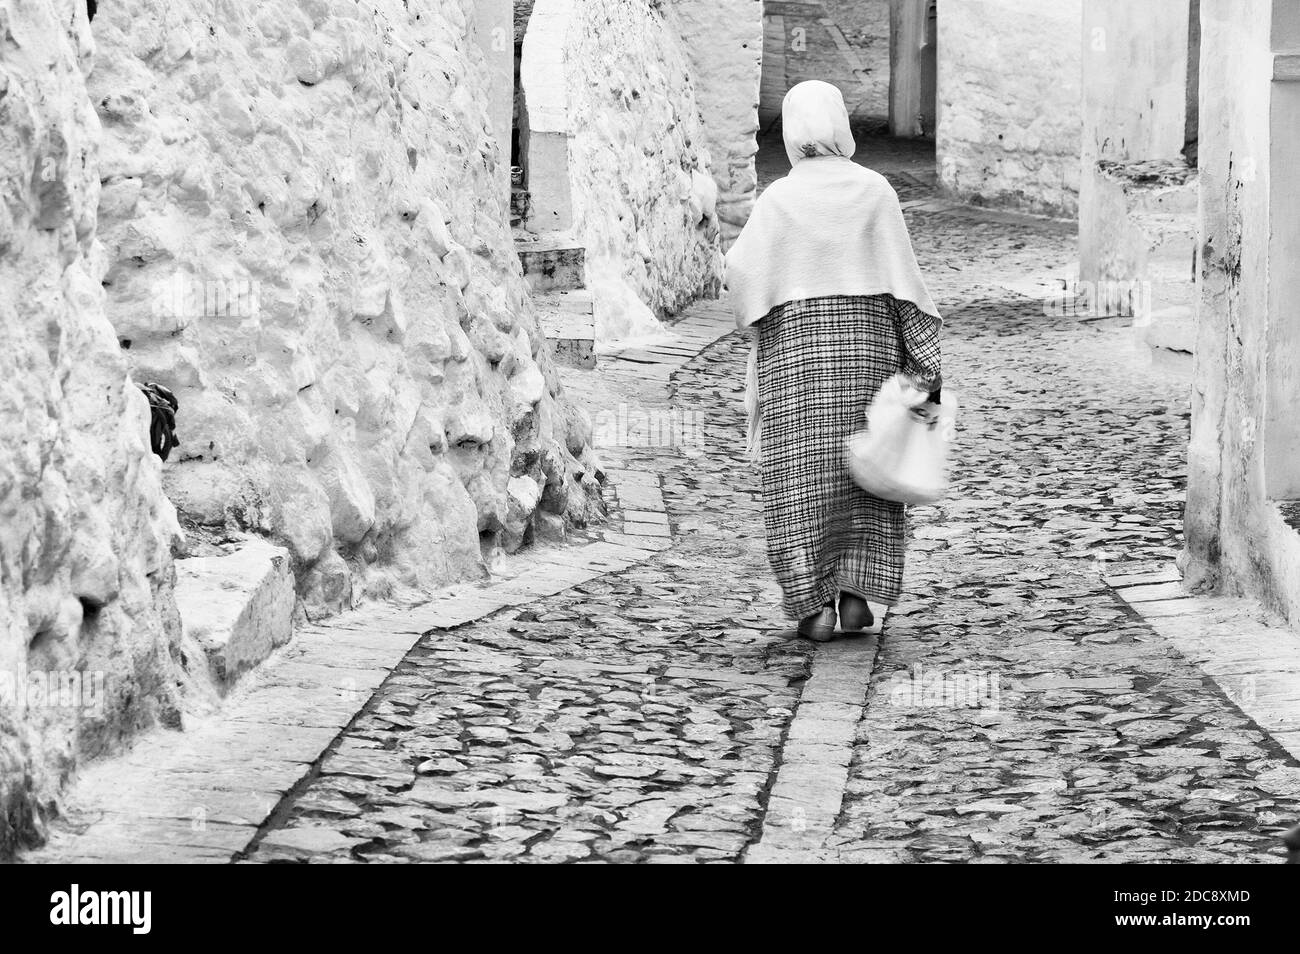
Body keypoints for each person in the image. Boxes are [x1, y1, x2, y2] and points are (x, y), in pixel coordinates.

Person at [725, 81, 943, 642]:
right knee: (865, 473)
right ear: (841, 123)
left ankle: (813, 606)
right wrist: (925, 371)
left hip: (797, 362)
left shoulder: (778, 200)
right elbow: (906, 288)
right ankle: (854, 598)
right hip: (869, 356)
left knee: (803, 479)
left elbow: (742, 277)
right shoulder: (875, 192)